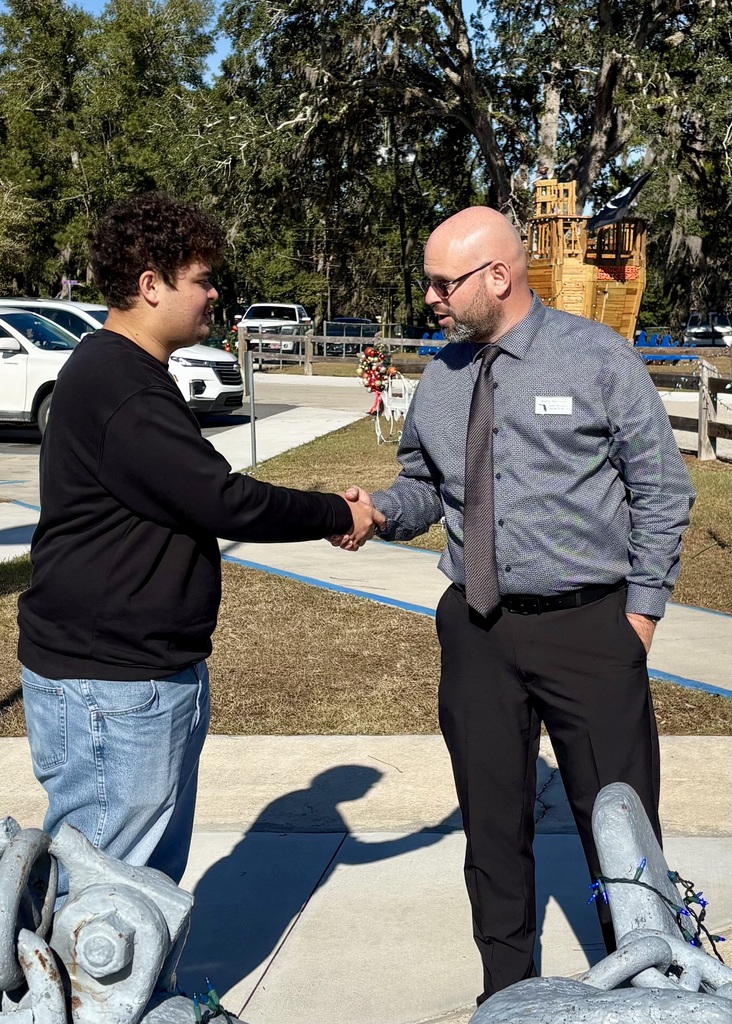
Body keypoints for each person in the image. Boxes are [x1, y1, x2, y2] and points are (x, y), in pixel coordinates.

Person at [337, 207, 695, 1001]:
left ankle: (649, 995)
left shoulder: (597, 358)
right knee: (492, 830)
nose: (430, 296)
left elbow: (663, 492)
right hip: (478, 634)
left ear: (498, 276)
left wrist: (638, 617)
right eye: (429, 282)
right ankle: (506, 995)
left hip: (590, 631)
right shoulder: (442, 376)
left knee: (622, 832)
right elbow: (425, 485)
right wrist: (380, 512)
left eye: (443, 282)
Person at [17, 192, 382, 890]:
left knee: (139, 890)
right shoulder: (121, 385)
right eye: (203, 279)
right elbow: (220, 499)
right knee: (105, 899)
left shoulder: (121, 373)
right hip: (113, 683)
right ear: (150, 284)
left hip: (133, 673)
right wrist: (336, 511)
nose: (215, 294)